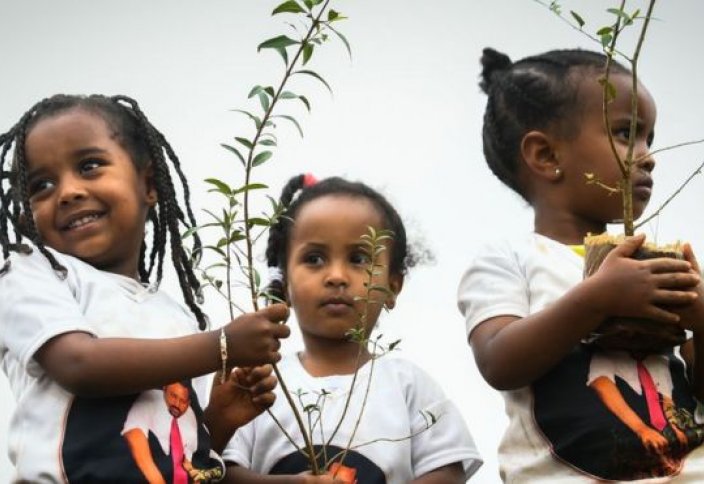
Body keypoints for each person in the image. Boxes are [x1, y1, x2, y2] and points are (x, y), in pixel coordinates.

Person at [0, 94, 291, 483]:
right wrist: (221, 345)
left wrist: (217, 420)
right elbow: (78, 365)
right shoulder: (28, 273)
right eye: (42, 185)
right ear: (25, 214)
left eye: (89, 166)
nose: (67, 191)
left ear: (149, 184)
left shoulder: (177, 318)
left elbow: (183, 464)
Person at [457, 47, 704, 481]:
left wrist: (701, 318)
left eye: (650, 139)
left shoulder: (652, 260)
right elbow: (498, 361)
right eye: (627, 134)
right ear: (546, 156)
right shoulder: (510, 259)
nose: (647, 156)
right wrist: (597, 299)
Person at [223, 174, 482, 483]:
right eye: (314, 258)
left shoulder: (408, 385)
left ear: (392, 286)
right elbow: (220, 472)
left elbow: (447, 470)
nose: (336, 276)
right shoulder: (260, 382)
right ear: (284, 286)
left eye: (358, 258)